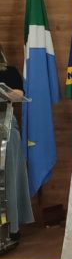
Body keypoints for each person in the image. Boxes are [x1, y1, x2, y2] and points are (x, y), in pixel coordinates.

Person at [0, 45, 33, 240]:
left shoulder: (9, 72)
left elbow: (19, 94)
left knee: (8, 176)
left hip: (4, 125)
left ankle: (10, 228)